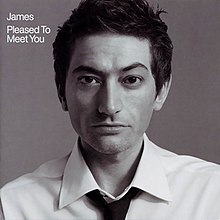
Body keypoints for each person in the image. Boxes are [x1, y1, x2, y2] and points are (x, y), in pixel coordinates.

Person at [1, 0, 220, 219]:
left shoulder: (212, 195)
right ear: (61, 91)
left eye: (131, 80)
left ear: (161, 90)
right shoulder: (13, 207)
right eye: (89, 80)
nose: (109, 106)